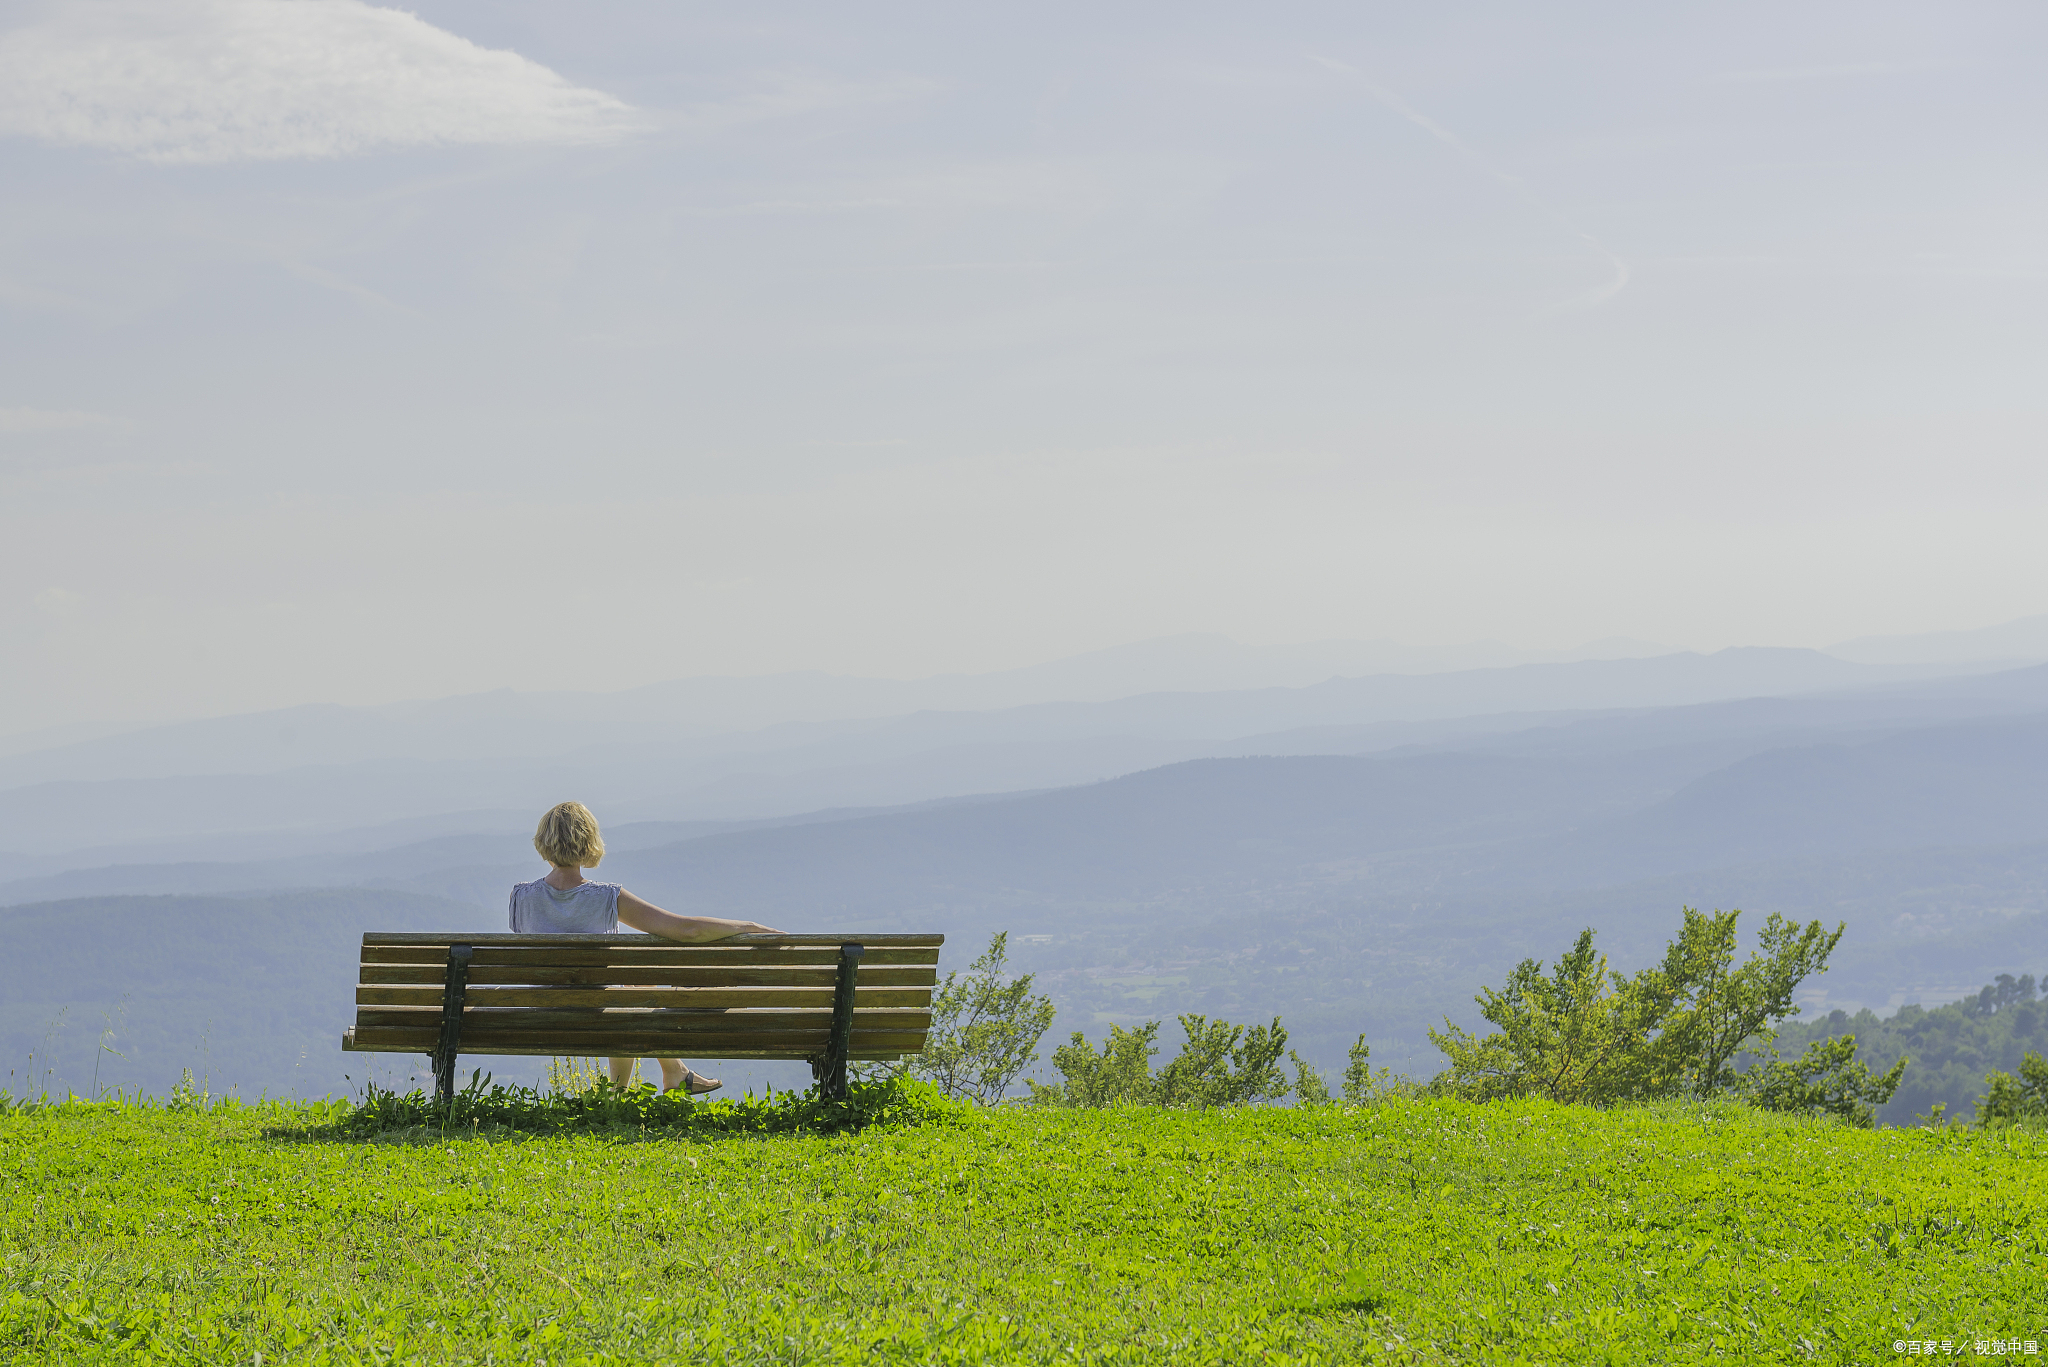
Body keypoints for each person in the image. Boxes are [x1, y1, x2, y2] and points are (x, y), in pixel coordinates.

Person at [510, 800, 781, 1095]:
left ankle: (665, 1076)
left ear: (543, 843)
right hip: (600, 1015)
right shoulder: (605, 897)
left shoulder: (521, 896)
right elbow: (687, 930)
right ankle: (632, 1088)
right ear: (589, 842)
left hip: (540, 1013)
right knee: (629, 992)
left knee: (631, 987)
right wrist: (745, 927)